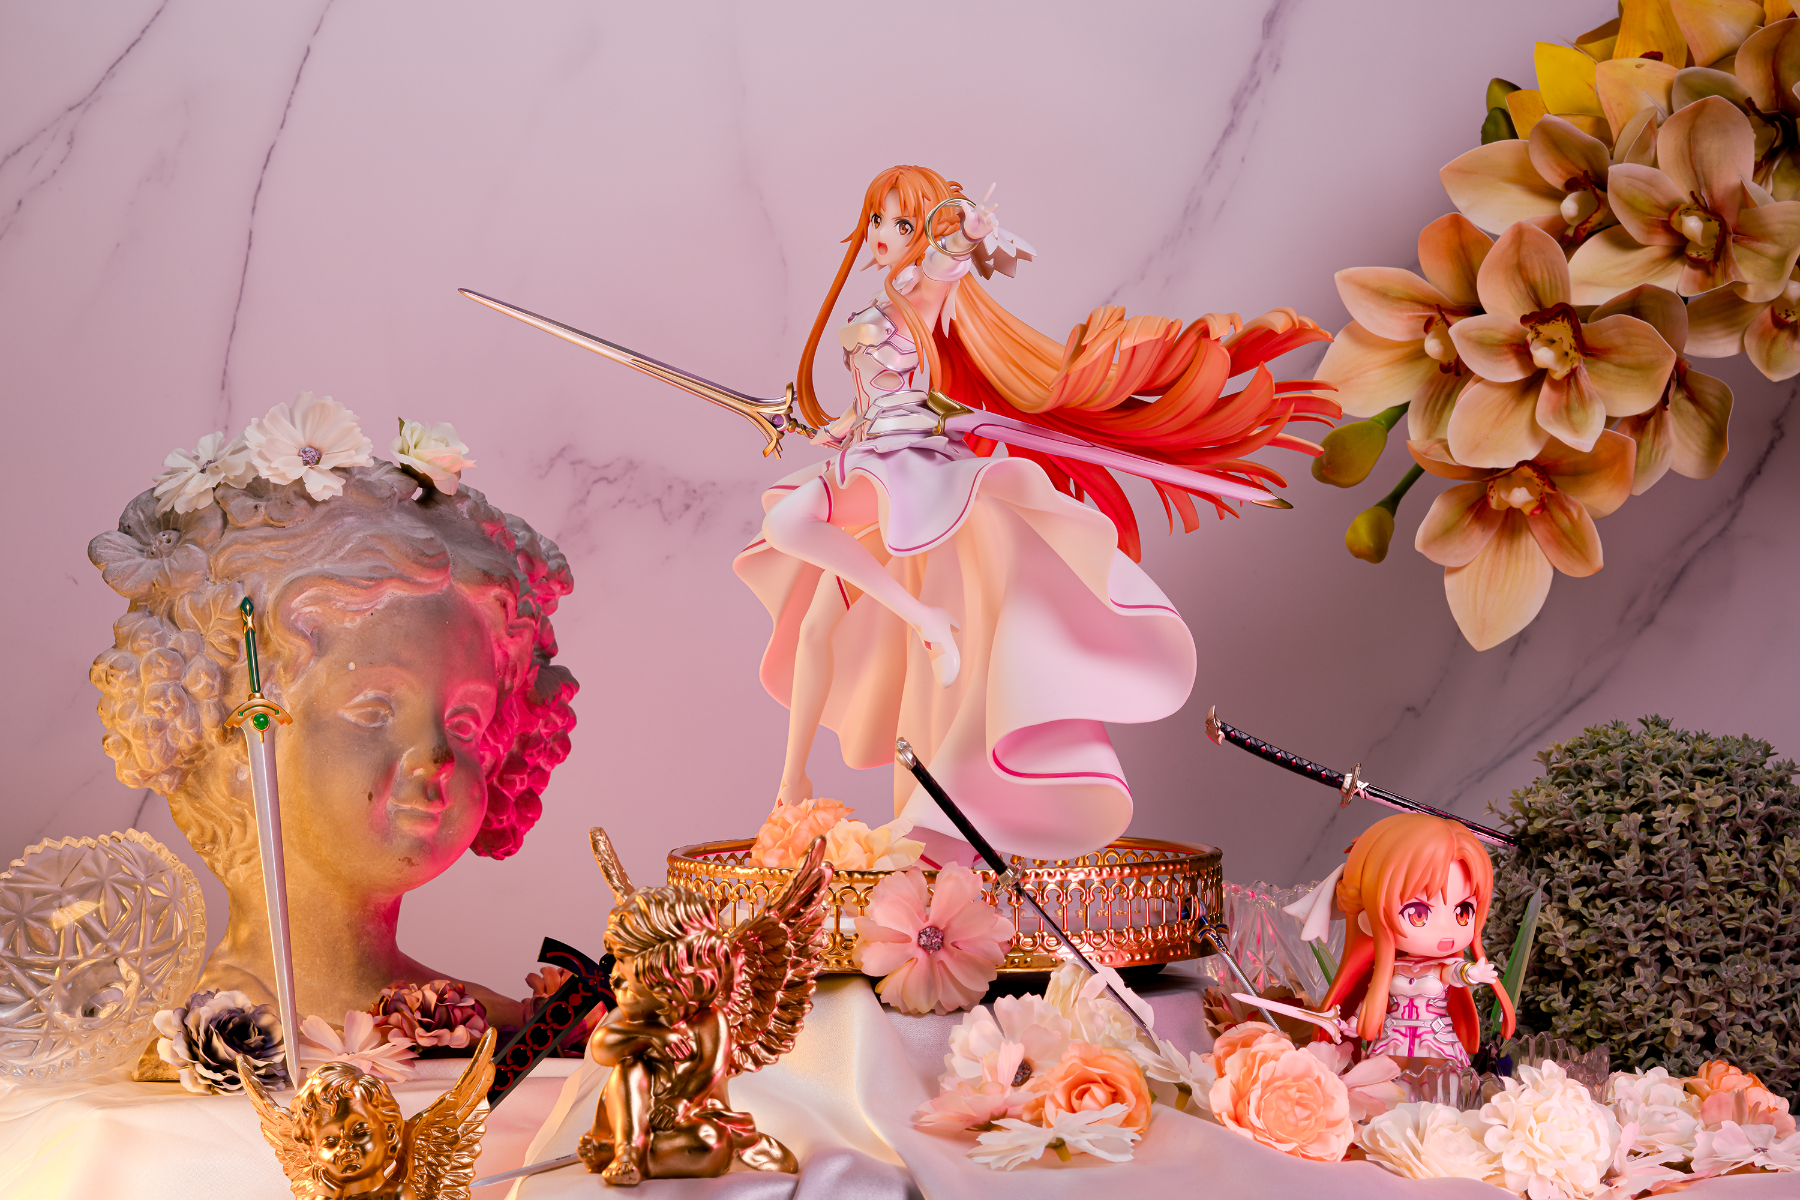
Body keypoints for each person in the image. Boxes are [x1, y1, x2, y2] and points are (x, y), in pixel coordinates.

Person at [734, 164, 1333, 862]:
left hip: (903, 470)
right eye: (877, 220)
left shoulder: (920, 289)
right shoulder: (882, 300)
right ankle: (792, 784)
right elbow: (869, 406)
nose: (882, 235)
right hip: (866, 458)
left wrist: (965, 235)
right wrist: (829, 427)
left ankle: (924, 619)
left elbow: (945, 265)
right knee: (815, 624)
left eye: (901, 222)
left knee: (787, 524)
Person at [88, 403, 577, 1025]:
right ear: (234, 739)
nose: (436, 754)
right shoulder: (229, 1039)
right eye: (374, 710)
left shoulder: (474, 1024)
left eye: (464, 724)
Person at [1308, 813, 1517, 1066]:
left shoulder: (1439, 968)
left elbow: (1455, 973)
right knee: (1387, 1080)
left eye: (1462, 912)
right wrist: (1355, 1021)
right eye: (1418, 914)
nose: (1445, 930)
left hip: (1434, 1039)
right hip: (1394, 1037)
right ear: (1367, 915)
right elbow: (1373, 999)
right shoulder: (1388, 971)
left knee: (1438, 1082)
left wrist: (1472, 973)